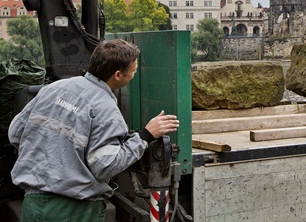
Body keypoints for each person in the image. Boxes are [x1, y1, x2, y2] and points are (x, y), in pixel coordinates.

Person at [9, 38, 180, 222]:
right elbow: (105, 166)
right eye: (133, 70)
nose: (135, 72)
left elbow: (15, 133)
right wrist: (145, 136)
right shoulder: (105, 109)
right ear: (117, 75)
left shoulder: (53, 89)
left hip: (33, 204)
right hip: (74, 210)